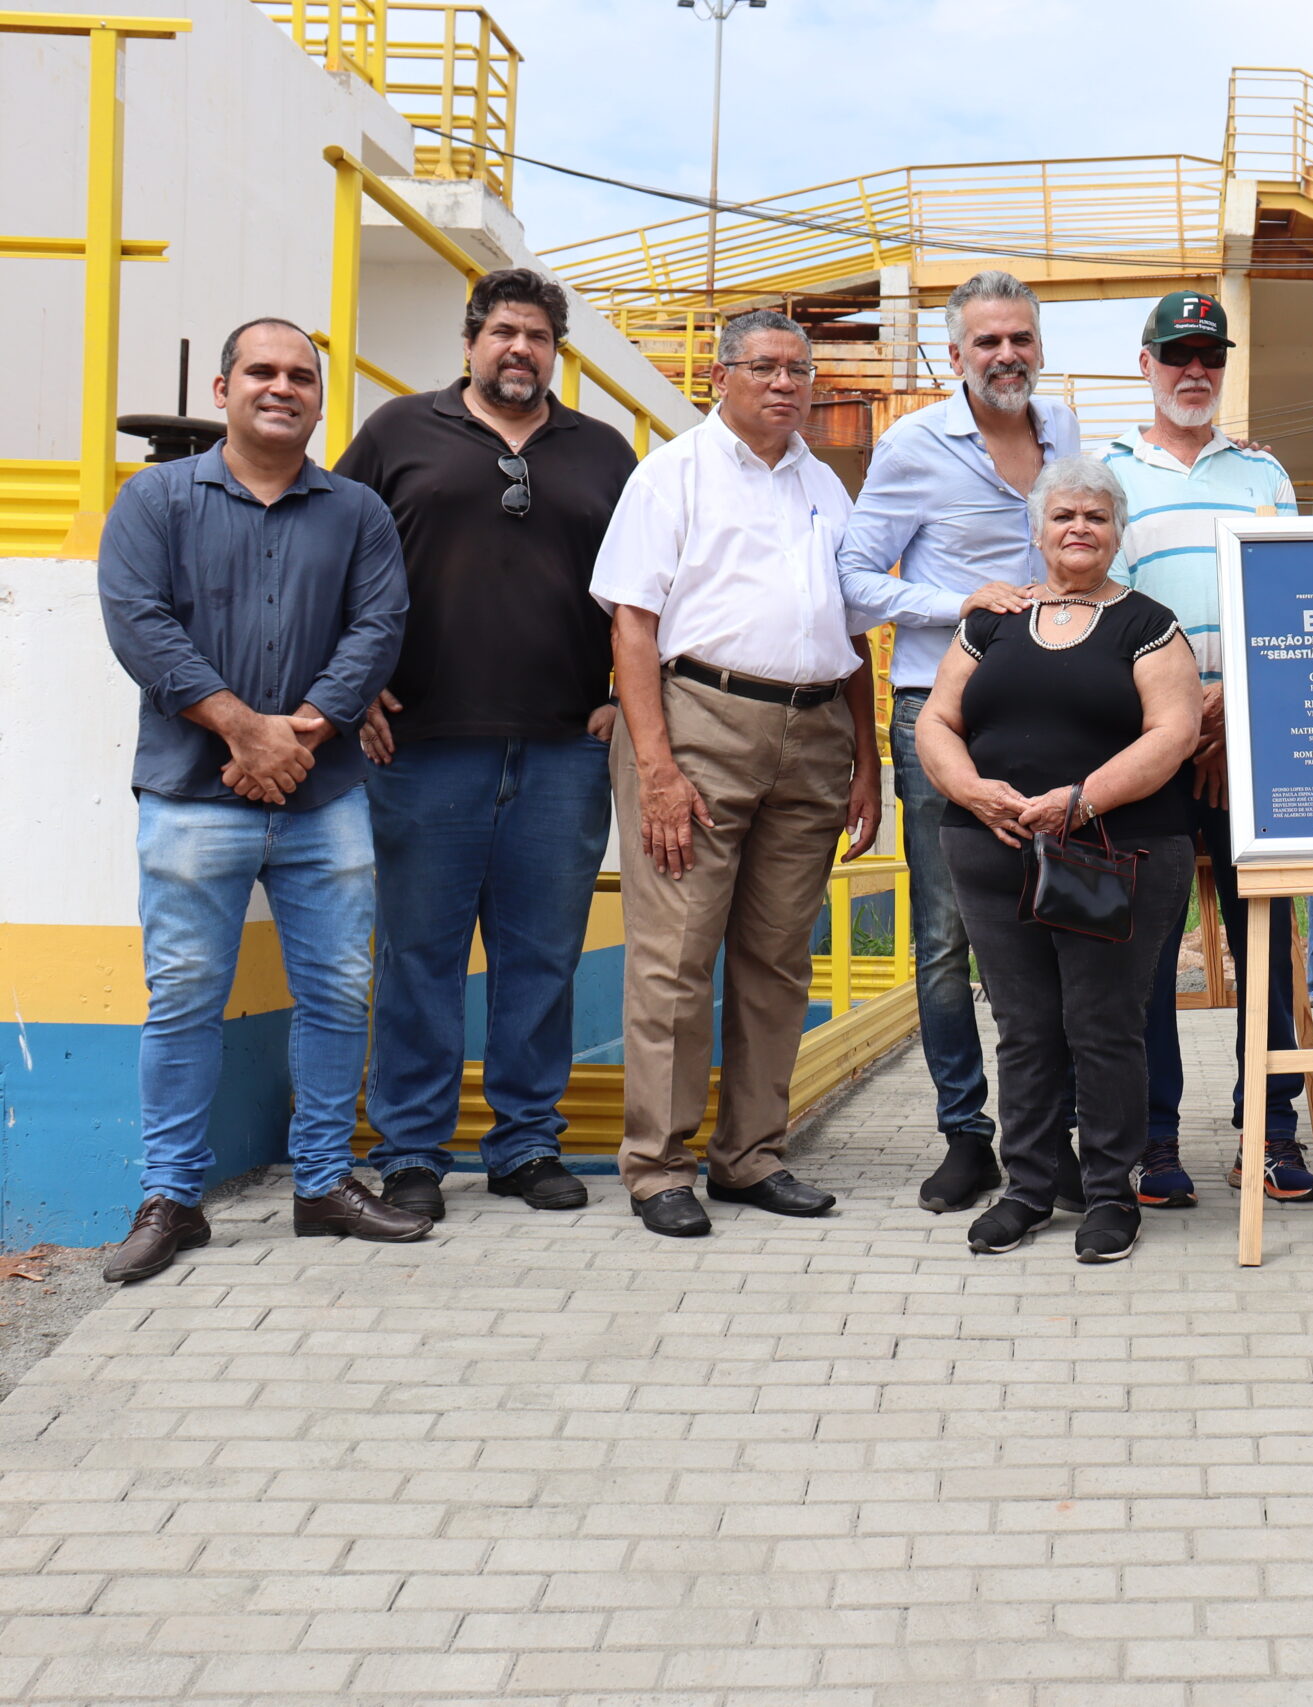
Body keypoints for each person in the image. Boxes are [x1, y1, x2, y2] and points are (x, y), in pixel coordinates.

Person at [95, 317, 424, 1281]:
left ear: (320, 399)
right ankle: (171, 1197)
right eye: (262, 372)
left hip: (326, 801)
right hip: (192, 795)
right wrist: (245, 730)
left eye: (301, 376)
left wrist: (299, 736)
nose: (282, 387)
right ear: (224, 390)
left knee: (337, 992)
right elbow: (139, 623)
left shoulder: (358, 513)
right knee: (183, 997)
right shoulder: (154, 500)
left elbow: (379, 628)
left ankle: (322, 1184)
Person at [335, 267, 634, 1221]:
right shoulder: (397, 432)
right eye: (504, 331)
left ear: (555, 353)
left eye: (538, 336)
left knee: (541, 957)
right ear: (470, 342)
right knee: (419, 956)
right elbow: (328, 553)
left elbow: (650, 586)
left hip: (564, 749)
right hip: (422, 745)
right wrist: (350, 686)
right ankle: (411, 1153)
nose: (520, 349)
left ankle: (525, 1144)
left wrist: (627, 696)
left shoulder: (605, 452)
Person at [590, 309, 881, 1238]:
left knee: (778, 958)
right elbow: (632, 624)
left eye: (800, 369)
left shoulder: (825, 485)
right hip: (700, 722)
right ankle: (657, 1165)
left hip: (814, 730)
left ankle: (751, 1154)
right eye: (765, 367)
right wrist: (656, 766)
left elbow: (854, 629)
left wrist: (866, 758)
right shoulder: (671, 474)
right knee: (676, 955)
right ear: (720, 377)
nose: (786, 383)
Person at [837, 270, 1082, 1216]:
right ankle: (965, 1135)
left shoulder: (1063, 431)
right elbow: (853, 580)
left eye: (1020, 338)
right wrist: (958, 601)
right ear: (955, 355)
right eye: (988, 341)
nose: (1006, 355)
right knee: (946, 936)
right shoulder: (913, 445)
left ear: (1039, 347)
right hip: (942, 716)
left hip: (1054, 715)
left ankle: (1047, 1135)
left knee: (1058, 920)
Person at [918, 457, 1201, 1263]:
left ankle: (1111, 1194)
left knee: (1103, 1024)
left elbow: (1174, 732)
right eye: (1063, 515)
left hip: (1114, 852)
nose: (1080, 528)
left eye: (1096, 516)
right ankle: (1028, 1188)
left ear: (1118, 532)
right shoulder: (992, 622)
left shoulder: (1147, 623)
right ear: (1037, 530)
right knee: (1023, 1026)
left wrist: (1080, 800)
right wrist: (972, 791)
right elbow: (936, 721)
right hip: (993, 846)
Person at [1101, 290, 1313, 1207]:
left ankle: (1269, 1132)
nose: (1194, 370)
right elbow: (1103, 613)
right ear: (1145, 363)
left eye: (1210, 355)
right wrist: (1180, 719)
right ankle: (1153, 1141)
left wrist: (1233, 709)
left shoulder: (1265, 475)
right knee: (1149, 953)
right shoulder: (1111, 474)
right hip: (1151, 746)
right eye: (1177, 353)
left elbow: (1295, 604)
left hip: (1253, 742)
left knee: (1264, 941)